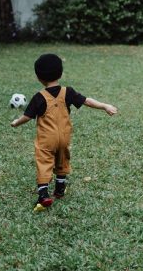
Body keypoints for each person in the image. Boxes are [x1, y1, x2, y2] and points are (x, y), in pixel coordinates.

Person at [10, 53, 119, 211]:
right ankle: (60, 189)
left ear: (38, 77)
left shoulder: (39, 97)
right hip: (64, 138)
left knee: (44, 162)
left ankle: (43, 195)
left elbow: (27, 117)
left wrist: (16, 123)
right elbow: (87, 101)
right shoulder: (68, 92)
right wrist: (104, 106)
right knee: (62, 159)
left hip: (46, 140)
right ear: (60, 73)